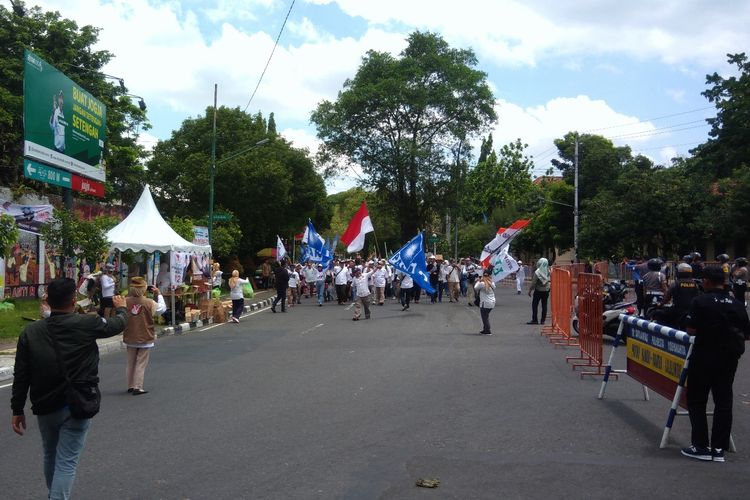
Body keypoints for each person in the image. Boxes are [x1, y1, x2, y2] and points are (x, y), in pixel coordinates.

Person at [11, 278, 128, 499]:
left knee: (50, 454)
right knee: (66, 462)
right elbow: (117, 325)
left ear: (47, 300)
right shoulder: (87, 324)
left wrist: (17, 409)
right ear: (74, 301)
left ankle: (54, 494)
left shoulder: (30, 332)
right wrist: (121, 307)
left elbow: (21, 376)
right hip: (77, 402)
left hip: (44, 405)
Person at [681, 264, 750, 462]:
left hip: (704, 356)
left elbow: (691, 330)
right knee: (723, 401)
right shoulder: (737, 303)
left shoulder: (700, 301)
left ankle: (700, 446)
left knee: (697, 400)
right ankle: (719, 449)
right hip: (729, 358)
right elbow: (746, 334)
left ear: (706, 281)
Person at [123, 277, 167, 395]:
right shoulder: (149, 302)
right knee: (141, 363)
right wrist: (159, 294)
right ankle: (138, 387)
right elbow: (162, 309)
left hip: (130, 335)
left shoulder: (125, 301)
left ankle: (130, 385)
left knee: (130, 362)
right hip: (145, 336)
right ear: (144, 289)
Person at [655, 263, 700, 330]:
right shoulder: (695, 284)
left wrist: (660, 304)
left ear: (679, 273)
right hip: (691, 311)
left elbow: (667, 297)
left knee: (658, 314)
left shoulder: (676, 283)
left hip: (678, 310)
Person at [527, 257, 551, 325]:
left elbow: (533, 283)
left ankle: (535, 320)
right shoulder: (548, 271)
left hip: (538, 290)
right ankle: (543, 320)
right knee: (544, 305)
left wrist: (530, 291)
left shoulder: (537, 272)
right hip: (546, 290)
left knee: (535, 305)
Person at [474, 269, 496, 335]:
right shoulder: (492, 282)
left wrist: (478, 280)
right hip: (492, 302)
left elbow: (475, 287)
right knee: (486, 316)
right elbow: (494, 287)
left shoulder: (482, 283)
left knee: (485, 318)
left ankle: (487, 331)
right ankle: (485, 329)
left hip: (485, 303)